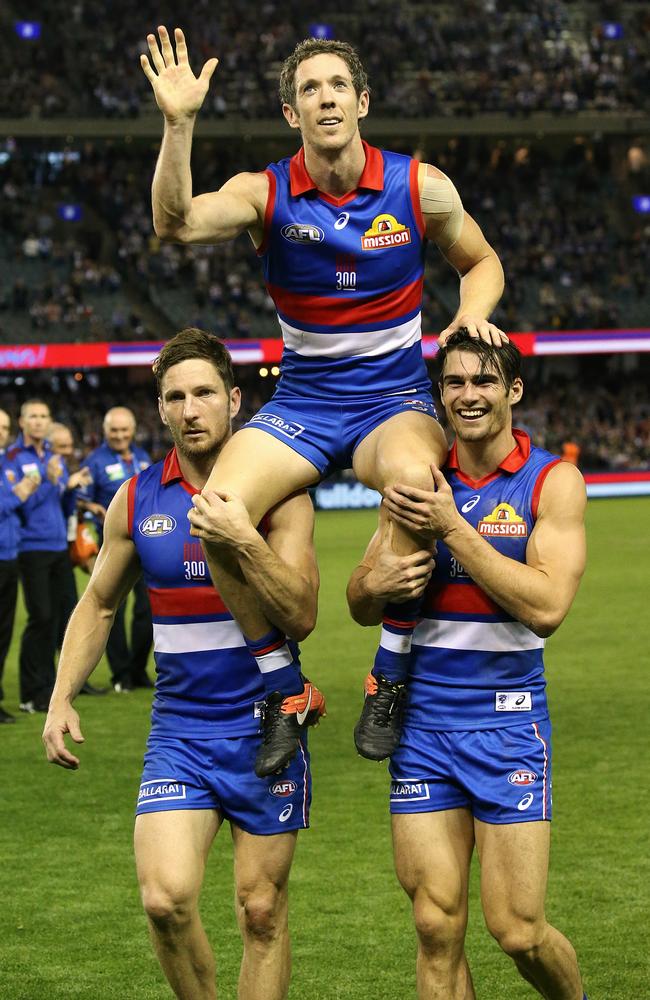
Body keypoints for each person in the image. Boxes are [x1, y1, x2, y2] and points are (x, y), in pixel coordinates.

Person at [141, 28, 506, 774]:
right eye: (309, 89)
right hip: (303, 400)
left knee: (419, 490)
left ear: (362, 100)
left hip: (394, 398)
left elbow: (481, 260)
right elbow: (174, 223)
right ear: (291, 112)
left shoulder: (418, 186)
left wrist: (471, 312)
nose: (326, 97)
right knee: (215, 511)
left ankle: (390, 674)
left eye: (338, 85)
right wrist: (179, 125)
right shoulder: (265, 192)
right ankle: (284, 687)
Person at [43, 329, 323, 1000]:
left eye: (204, 393)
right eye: (176, 397)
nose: (191, 409)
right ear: (160, 411)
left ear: (234, 400)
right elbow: (99, 604)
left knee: (261, 912)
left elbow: (301, 611)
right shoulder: (137, 499)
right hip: (181, 732)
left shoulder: (283, 493)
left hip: (267, 726)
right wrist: (61, 696)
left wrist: (241, 541)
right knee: (165, 900)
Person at [347, 330, 589, 1000]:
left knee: (517, 928)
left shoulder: (552, 481)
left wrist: (454, 527)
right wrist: (377, 584)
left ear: (513, 390)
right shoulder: (418, 478)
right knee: (434, 923)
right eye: (454, 383)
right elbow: (359, 600)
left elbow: (546, 607)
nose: (468, 395)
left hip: (508, 727)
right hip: (421, 731)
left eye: (483, 381)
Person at [80, 407, 154, 691]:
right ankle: (121, 674)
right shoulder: (94, 462)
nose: (120, 435)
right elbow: (80, 498)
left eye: (125, 430)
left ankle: (137, 669)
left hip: (146, 542)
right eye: (115, 430)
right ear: (105, 430)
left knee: (147, 608)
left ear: (133, 430)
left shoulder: (142, 457)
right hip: (111, 545)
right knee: (112, 609)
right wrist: (90, 507)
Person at [7, 400, 74, 713]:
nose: (38, 421)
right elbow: (21, 507)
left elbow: (58, 504)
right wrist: (48, 481)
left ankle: (49, 688)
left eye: (44, 416)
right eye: (32, 416)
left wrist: (66, 486)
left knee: (61, 620)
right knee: (40, 618)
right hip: (32, 548)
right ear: (22, 422)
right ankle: (30, 692)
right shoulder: (12, 459)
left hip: (58, 546)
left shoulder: (52, 456)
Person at [46, 422, 106, 696]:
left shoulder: (66, 470)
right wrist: (64, 487)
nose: (68, 452)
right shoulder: (45, 471)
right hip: (42, 548)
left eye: (70, 446)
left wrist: (79, 500)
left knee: (69, 611)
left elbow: (70, 506)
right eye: (61, 447)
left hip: (63, 545)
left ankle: (70, 680)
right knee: (45, 618)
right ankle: (45, 683)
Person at [0, 408, 39, 723]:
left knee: (4, 633)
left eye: (4, 427)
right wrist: (18, 496)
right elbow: (9, 502)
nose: (2, 432)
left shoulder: (6, 463)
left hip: (9, 556)